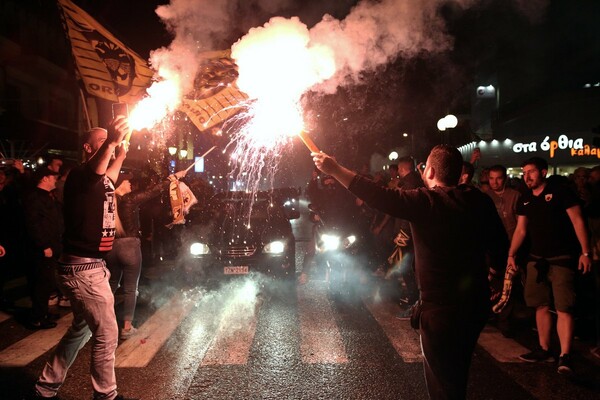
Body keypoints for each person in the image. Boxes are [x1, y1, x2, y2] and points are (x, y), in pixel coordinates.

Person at [312, 145, 508, 399]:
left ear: (431, 170)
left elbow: (376, 195)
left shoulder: (425, 202)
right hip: (474, 306)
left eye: (425, 166)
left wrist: (333, 169)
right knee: (457, 372)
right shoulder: (479, 201)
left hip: (441, 311)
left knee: (444, 385)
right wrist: (493, 273)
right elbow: (500, 246)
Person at [33, 116, 136, 400]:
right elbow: (99, 169)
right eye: (101, 141)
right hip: (83, 270)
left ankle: (45, 388)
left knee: (80, 331)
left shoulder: (99, 179)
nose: (108, 144)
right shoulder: (80, 175)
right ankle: (106, 395)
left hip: (90, 267)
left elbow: (109, 175)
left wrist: (122, 150)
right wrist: (113, 140)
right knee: (106, 333)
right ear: (88, 148)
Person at [507, 157, 592, 375]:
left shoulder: (561, 192)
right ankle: (544, 349)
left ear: (543, 172)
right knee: (540, 305)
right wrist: (512, 254)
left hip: (562, 258)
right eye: (524, 172)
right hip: (537, 259)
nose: (527, 176)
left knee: (564, 307)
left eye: (532, 172)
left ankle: (565, 355)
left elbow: (578, 221)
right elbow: (521, 230)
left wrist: (585, 252)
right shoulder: (525, 199)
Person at [107, 168, 187, 340]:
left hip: (111, 246)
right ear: (121, 184)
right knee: (130, 289)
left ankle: (102, 323)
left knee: (111, 286)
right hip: (129, 246)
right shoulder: (128, 200)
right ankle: (126, 327)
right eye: (127, 181)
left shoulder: (108, 202)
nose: (131, 183)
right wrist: (172, 178)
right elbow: (151, 192)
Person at [484, 164, 523, 337]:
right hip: (490, 247)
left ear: (505, 178)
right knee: (490, 283)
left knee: (508, 285)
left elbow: (520, 224)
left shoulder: (515, 196)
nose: (494, 182)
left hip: (509, 246)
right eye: (491, 178)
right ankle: (489, 314)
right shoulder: (485, 197)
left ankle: (505, 321)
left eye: (498, 178)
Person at [23, 167, 63, 329]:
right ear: (44, 179)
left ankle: (42, 311)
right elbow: (33, 225)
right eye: (53, 177)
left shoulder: (48, 197)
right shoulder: (34, 199)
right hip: (42, 249)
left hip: (52, 245)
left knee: (47, 282)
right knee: (42, 282)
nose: (55, 179)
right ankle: (38, 317)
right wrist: (44, 245)